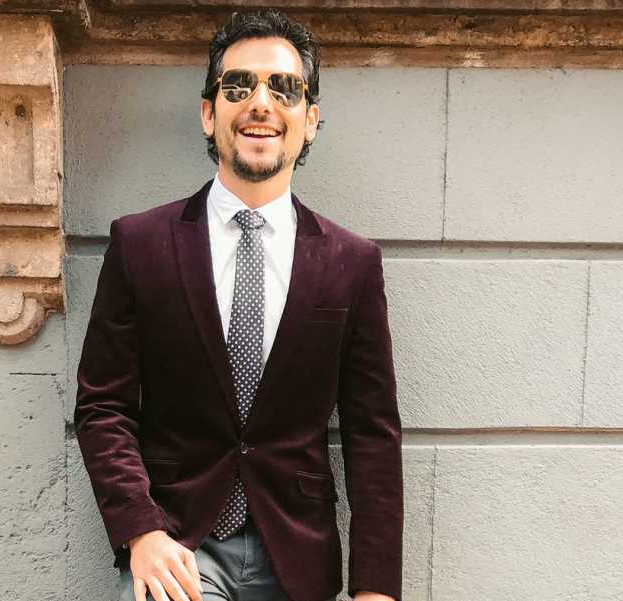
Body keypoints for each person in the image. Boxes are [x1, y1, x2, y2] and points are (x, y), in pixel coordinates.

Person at [73, 10, 402, 601]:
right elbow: (103, 407)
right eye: (238, 86)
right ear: (209, 113)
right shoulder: (140, 244)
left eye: (285, 88)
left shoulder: (352, 264)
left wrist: (375, 590)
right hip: (180, 546)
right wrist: (141, 531)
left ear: (310, 121)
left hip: (298, 557)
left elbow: (372, 435)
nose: (260, 104)